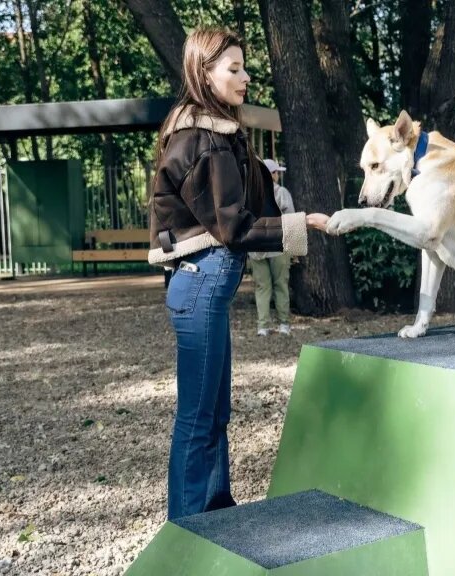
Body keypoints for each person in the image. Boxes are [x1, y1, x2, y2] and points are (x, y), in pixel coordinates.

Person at [147, 27, 329, 520]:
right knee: (199, 417)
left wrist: (299, 216)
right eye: (234, 69)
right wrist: (297, 226)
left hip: (205, 284)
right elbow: (233, 226)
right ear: (203, 73)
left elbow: (252, 200)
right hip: (200, 281)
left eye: (244, 67)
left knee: (214, 413)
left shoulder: (218, 135)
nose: (245, 77)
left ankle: (215, 514)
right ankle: (187, 531)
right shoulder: (202, 141)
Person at [249, 159, 294, 336]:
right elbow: (291, 218)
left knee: (262, 287)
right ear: (272, 174)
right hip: (278, 245)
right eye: (276, 172)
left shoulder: (251, 195)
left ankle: (263, 326)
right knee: (281, 285)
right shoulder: (281, 192)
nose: (278, 175)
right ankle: (284, 324)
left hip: (256, 247)